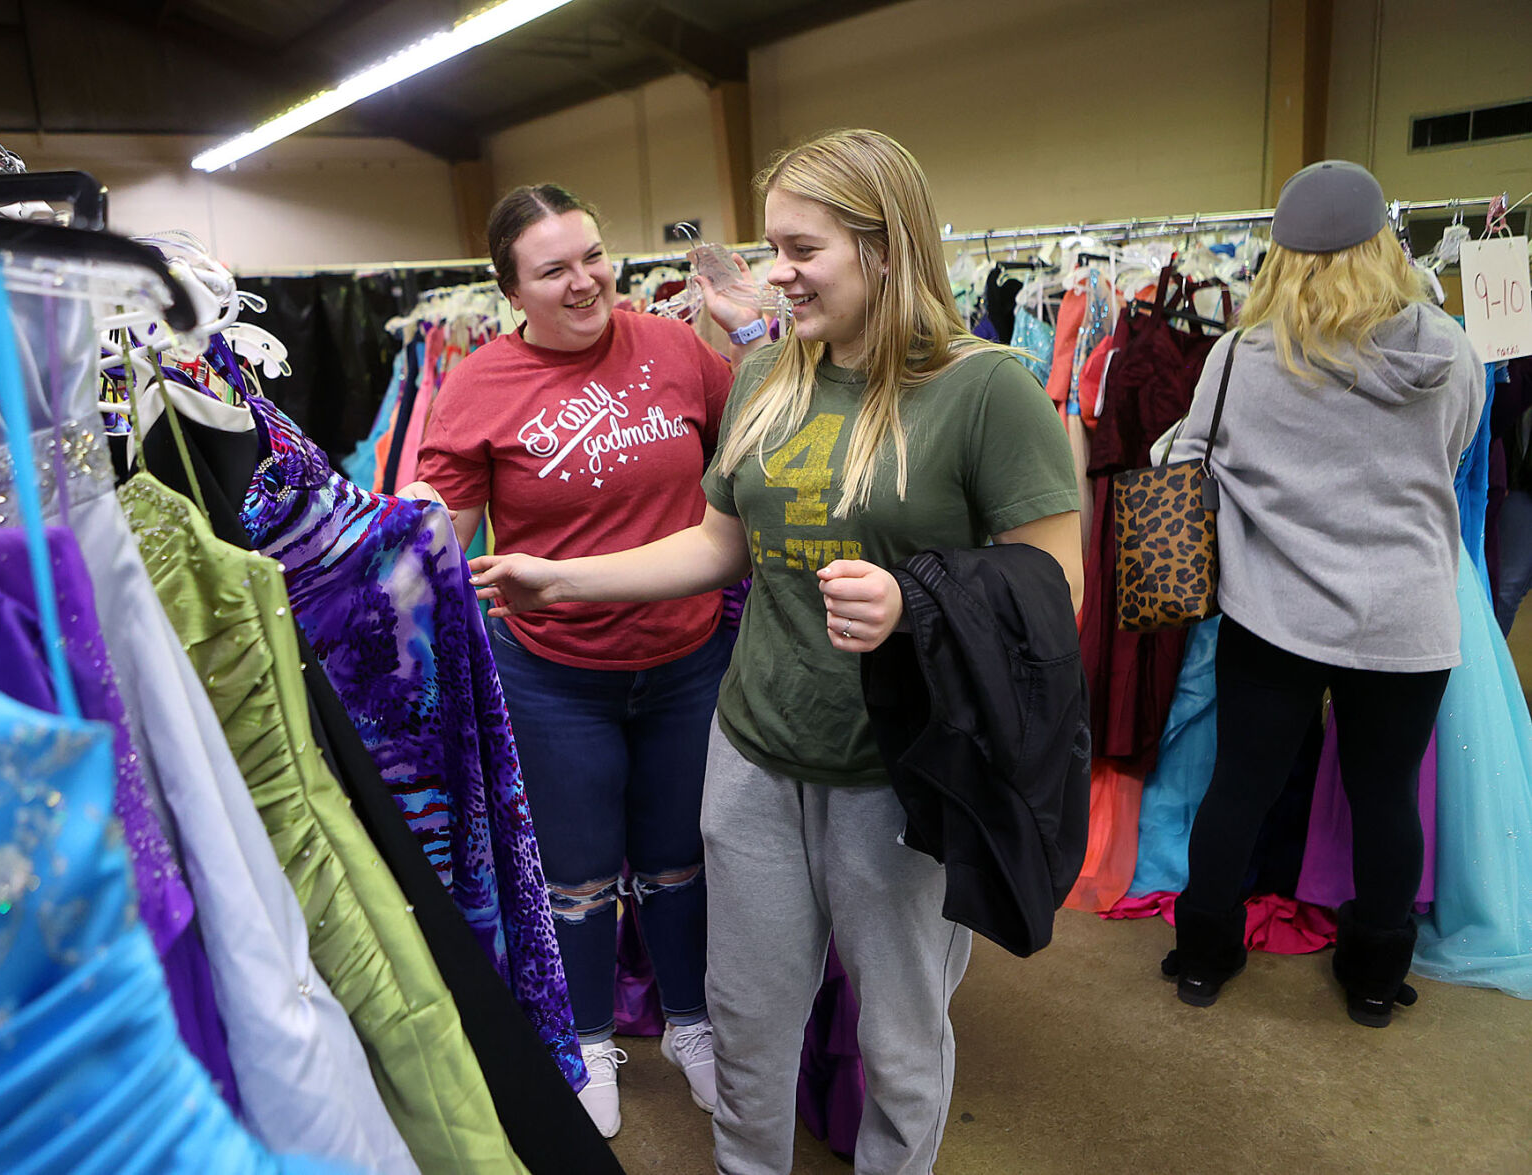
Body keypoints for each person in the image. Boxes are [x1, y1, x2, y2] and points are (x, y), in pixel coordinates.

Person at [466, 130, 1083, 1174]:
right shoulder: (765, 375)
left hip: (902, 768)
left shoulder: (987, 390)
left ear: (882, 247)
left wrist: (913, 600)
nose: (774, 274)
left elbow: (1053, 583)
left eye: (802, 249)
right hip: (751, 749)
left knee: (897, 1037)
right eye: (773, 248)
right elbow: (717, 543)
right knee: (747, 1028)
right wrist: (555, 576)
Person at [403, 183, 767, 1137]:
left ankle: (692, 1025)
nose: (584, 281)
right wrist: (396, 545)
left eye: (592, 255)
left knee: (681, 857)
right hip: (554, 671)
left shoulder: (675, 348)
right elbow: (445, 528)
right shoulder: (479, 381)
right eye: (553, 269)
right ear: (511, 290)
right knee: (575, 872)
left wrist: (763, 330)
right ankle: (589, 1036)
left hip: (690, 655)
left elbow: (756, 442)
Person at [1159, 160, 1485, 1026]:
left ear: (1280, 256)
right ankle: (1375, 979)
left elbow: (1184, 459)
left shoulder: (1238, 355)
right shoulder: (1451, 353)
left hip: (1273, 615)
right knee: (1386, 798)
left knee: (1239, 784)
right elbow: (1447, 461)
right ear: (1384, 246)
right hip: (1408, 618)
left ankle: (1202, 957)